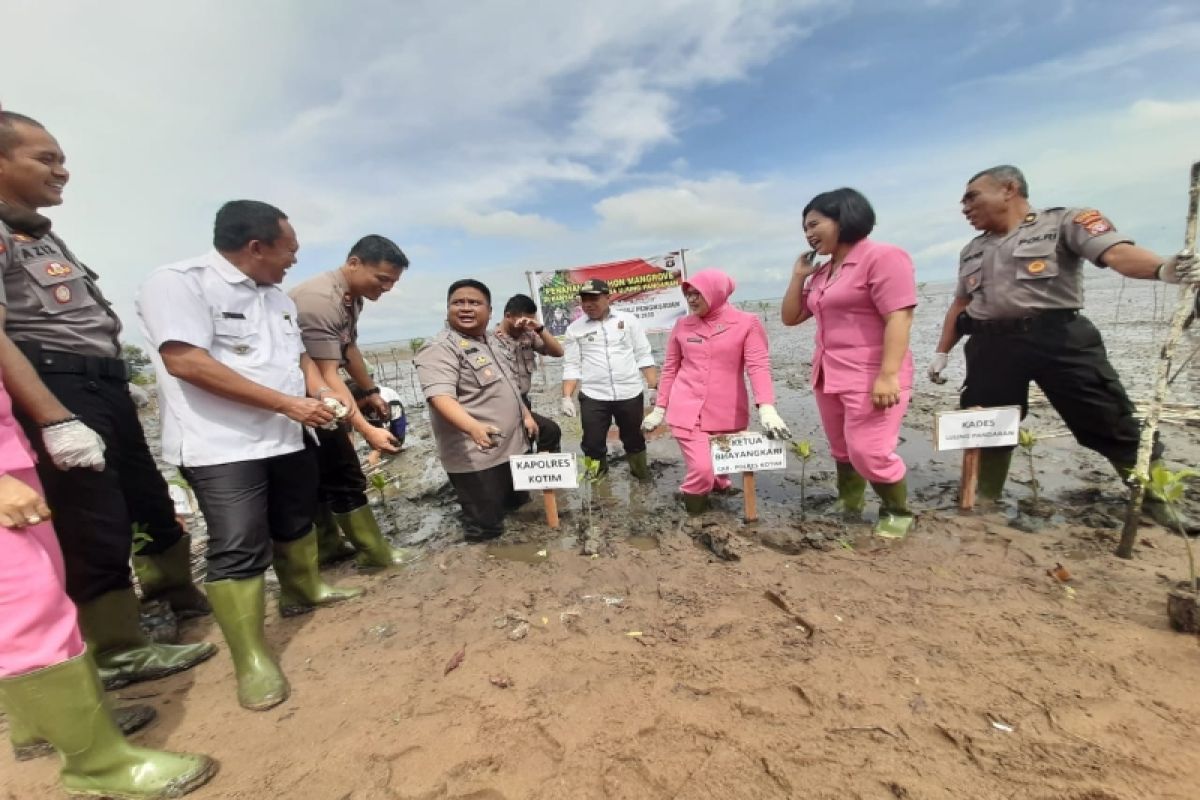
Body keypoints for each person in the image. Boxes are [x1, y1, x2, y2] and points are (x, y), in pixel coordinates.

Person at [0, 110, 215, 687]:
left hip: (104, 385)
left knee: (145, 496)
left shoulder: (39, 233)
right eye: (45, 159)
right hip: (58, 388)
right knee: (93, 517)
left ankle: (173, 594)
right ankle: (118, 647)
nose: (62, 171)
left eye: (62, 158)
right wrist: (53, 419)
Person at [137, 200, 363, 711]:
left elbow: (299, 359)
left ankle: (303, 590)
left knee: (295, 521)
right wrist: (289, 403)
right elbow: (186, 362)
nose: (294, 261)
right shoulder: (178, 282)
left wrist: (319, 395)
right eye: (290, 250)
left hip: (287, 435)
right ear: (256, 246)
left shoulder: (277, 299)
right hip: (221, 445)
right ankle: (252, 658)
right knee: (237, 544)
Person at [928, 165, 1199, 529]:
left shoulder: (1065, 222)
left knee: (1108, 416)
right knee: (988, 424)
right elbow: (961, 305)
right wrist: (942, 352)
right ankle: (984, 497)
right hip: (990, 345)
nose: (965, 207)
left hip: (1059, 338)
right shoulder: (972, 250)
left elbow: (1117, 255)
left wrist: (1164, 269)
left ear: (1009, 189)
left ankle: (1155, 497)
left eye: (971, 196)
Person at [0, 352, 218, 799]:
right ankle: (97, 765)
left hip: (10, 442)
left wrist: (53, 419)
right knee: (26, 602)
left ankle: (40, 726)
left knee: (48, 582)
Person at [781, 188, 918, 538]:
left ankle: (897, 512)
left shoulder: (883, 257)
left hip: (871, 374)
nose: (809, 234)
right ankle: (850, 503)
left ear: (844, 217)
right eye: (804, 229)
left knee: (869, 450)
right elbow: (791, 316)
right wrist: (799, 275)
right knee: (842, 448)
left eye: (814, 224)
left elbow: (899, 318)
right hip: (828, 373)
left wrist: (889, 375)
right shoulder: (824, 273)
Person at [289, 235, 414, 568]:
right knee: (343, 471)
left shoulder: (352, 298)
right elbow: (326, 376)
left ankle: (329, 546)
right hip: (303, 399)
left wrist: (370, 390)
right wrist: (366, 430)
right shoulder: (319, 300)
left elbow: (349, 349)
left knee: (318, 475)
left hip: (314, 396)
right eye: (382, 279)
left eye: (393, 282)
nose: (387, 288)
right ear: (354, 263)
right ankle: (375, 553)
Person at [642, 270, 790, 514]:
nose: (691, 299)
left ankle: (719, 488)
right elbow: (670, 369)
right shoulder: (682, 325)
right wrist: (659, 408)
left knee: (720, 467)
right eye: (687, 294)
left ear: (717, 292)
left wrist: (767, 407)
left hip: (727, 410)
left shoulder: (746, 323)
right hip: (687, 410)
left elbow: (758, 366)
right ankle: (695, 516)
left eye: (697, 293)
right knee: (702, 470)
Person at [414, 279, 537, 541]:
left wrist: (526, 415)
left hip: (513, 447)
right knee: (486, 527)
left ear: (490, 311)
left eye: (475, 303)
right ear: (447, 309)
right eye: (458, 303)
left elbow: (511, 384)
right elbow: (440, 397)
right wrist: (473, 427)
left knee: (518, 508)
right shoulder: (439, 348)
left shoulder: (492, 340)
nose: (466, 308)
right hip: (477, 457)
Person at [560, 279, 657, 480]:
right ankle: (597, 481)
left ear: (608, 297)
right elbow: (571, 365)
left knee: (634, 439)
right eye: (584, 299)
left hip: (629, 392)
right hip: (594, 396)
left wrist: (653, 387)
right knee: (592, 443)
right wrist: (566, 397)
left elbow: (643, 354)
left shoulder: (628, 321)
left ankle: (641, 477)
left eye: (594, 298)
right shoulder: (574, 329)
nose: (588, 303)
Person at [494, 293, 563, 454]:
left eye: (529, 321)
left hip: (524, 401)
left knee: (531, 439)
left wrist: (538, 328)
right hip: (504, 403)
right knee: (547, 431)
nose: (525, 326)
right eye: (522, 321)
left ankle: (542, 473)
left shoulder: (528, 335)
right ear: (508, 316)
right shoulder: (492, 341)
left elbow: (558, 352)